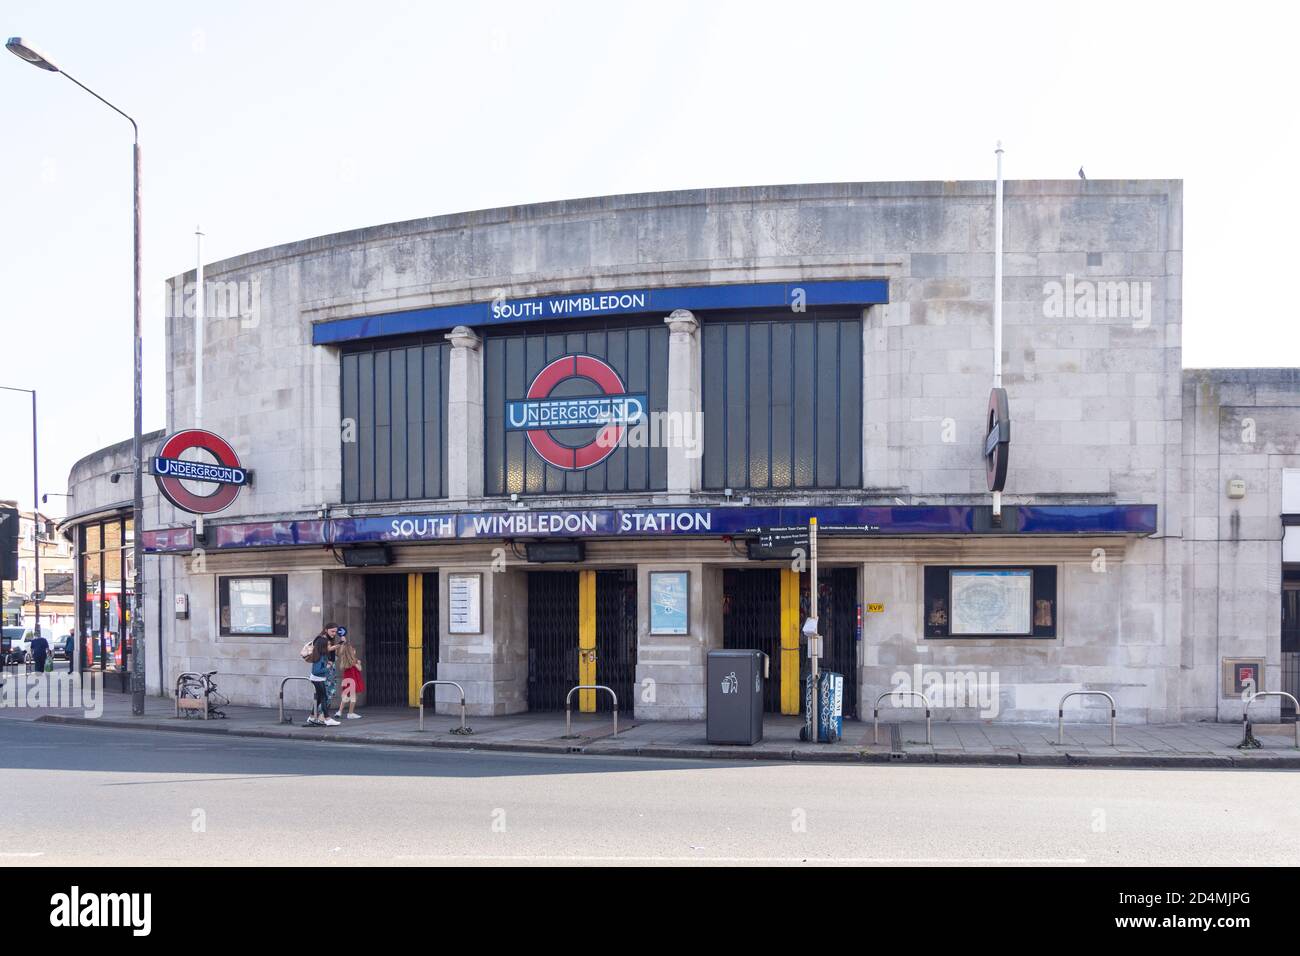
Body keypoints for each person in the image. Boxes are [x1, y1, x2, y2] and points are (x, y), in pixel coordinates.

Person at [305, 625, 341, 727]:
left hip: (319, 678)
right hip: (318, 678)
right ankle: (326, 718)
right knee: (324, 697)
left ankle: (312, 717)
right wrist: (328, 667)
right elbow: (317, 671)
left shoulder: (321, 656)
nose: (329, 647)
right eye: (327, 646)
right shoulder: (320, 657)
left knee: (321, 698)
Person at [332, 632, 364, 720]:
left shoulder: (344, 660)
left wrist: (343, 642)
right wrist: (358, 663)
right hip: (353, 680)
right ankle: (350, 713)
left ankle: (339, 711)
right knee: (353, 697)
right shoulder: (354, 661)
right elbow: (360, 669)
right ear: (351, 652)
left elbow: (340, 652)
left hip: (347, 680)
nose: (355, 650)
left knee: (345, 697)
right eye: (353, 650)